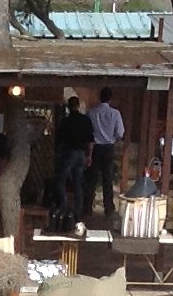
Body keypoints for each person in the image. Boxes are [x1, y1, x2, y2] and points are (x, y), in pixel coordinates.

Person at [87, 88, 127, 224]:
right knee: (107, 178)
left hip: (95, 147)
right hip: (109, 147)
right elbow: (120, 132)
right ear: (110, 98)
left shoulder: (92, 112)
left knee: (91, 179)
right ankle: (108, 208)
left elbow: (88, 131)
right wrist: (113, 138)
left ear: (99, 97)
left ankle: (87, 207)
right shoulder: (115, 113)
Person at [52, 92, 89, 230]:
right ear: (78, 106)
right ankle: (78, 212)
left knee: (60, 180)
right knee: (78, 183)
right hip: (81, 153)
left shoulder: (66, 121)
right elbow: (90, 140)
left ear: (68, 106)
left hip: (68, 153)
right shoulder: (85, 120)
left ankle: (65, 206)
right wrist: (89, 155)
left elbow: (59, 139)